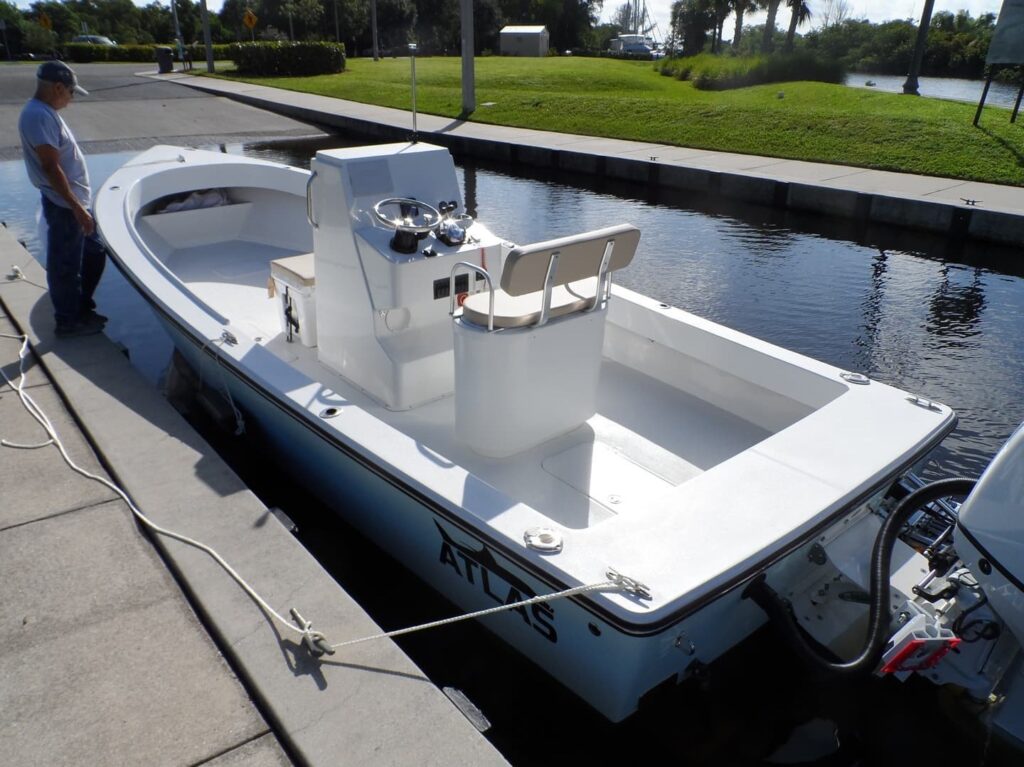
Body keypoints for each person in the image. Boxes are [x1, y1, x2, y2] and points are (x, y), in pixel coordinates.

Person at [19, 60, 108, 338]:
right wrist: (76, 207)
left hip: (71, 204)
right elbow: (50, 166)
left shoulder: (44, 112)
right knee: (66, 265)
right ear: (57, 87)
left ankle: (80, 307)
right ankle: (68, 321)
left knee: (94, 252)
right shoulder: (39, 116)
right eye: (70, 92)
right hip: (64, 206)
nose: (71, 99)